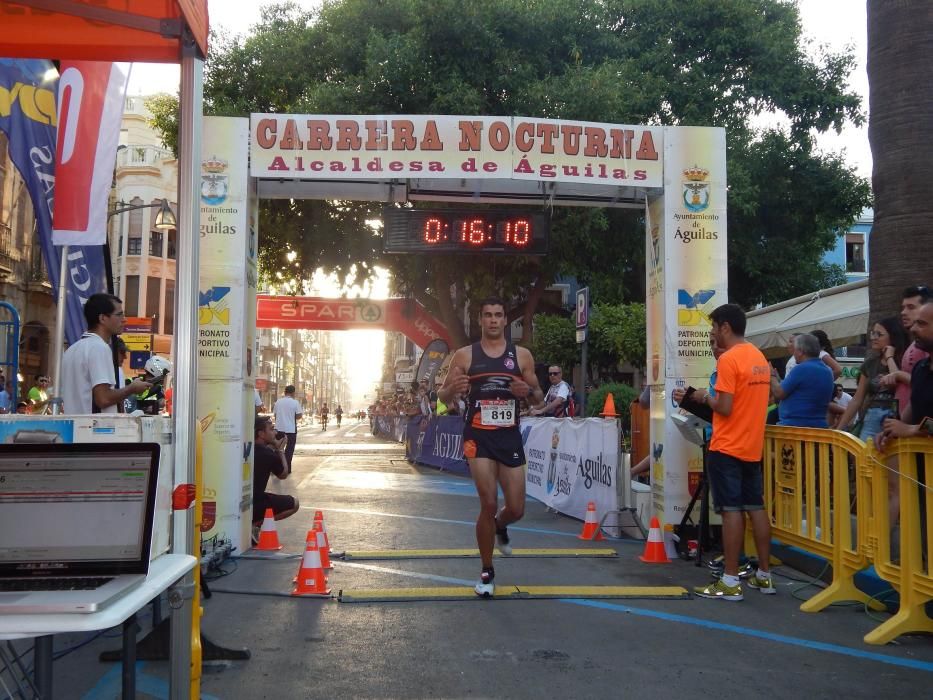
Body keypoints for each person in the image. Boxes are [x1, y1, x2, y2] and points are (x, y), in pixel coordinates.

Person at [437, 296, 545, 597]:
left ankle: (500, 526)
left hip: (508, 436)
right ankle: (487, 569)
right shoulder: (464, 356)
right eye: (488, 315)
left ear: (505, 320)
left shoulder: (521, 356)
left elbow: (539, 399)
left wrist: (529, 391)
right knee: (487, 502)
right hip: (478, 435)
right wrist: (453, 390)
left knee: (517, 508)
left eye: (499, 315)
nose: (494, 320)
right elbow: (443, 396)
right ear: (481, 320)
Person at [686, 304, 775, 601]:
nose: (711, 333)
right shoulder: (758, 357)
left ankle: (729, 580)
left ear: (725, 327)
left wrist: (702, 396)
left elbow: (723, 406)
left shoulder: (729, 360)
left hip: (727, 446)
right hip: (752, 445)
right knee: (756, 507)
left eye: (713, 327)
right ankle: (764, 575)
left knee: (731, 512)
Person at [60, 293, 151, 415]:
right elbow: (103, 399)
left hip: (74, 429)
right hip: (94, 429)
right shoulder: (99, 348)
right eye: (119, 314)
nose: (124, 319)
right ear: (102, 318)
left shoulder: (72, 350)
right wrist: (132, 388)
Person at [836, 317, 909, 441]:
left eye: (879, 334)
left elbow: (898, 379)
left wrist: (890, 357)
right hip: (872, 417)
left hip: (900, 418)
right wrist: (839, 429)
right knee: (868, 456)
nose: (873, 338)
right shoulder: (870, 364)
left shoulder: (906, 360)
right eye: (873, 333)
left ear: (893, 337)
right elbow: (857, 400)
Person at [880, 285, 930, 417]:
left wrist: (897, 375)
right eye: (903, 307)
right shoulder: (918, 345)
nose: (903, 312)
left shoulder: (926, 343)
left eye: (911, 307)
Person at [769, 333, 835, 428]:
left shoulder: (801, 369)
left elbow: (779, 393)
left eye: (795, 349)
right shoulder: (828, 371)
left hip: (796, 429)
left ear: (800, 351)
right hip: (819, 428)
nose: (794, 353)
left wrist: (771, 375)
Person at [251, 415, 300, 544]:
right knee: (294, 503)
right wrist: (280, 450)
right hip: (256, 503)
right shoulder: (268, 454)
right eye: (271, 429)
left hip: (243, 502)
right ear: (261, 434)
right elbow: (283, 474)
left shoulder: (247, 448)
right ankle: (255, 524)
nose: (275, 433)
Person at [272, 385, 302, 473]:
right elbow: (299, 416)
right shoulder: (295, 402)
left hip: (279, 429)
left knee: (278, 448)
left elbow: (275, 415)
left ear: (285, 392)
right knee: (289, 450)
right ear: (293, 393)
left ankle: (276, 468)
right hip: (291, 430)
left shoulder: (278, 402)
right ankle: (287, 468)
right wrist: (292, 416)